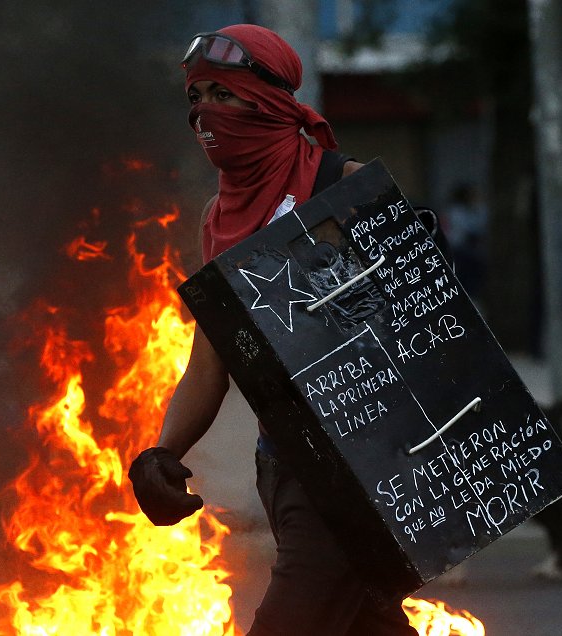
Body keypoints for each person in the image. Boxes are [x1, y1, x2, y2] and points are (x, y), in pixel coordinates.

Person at [127, 25, 415, 635]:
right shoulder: (218, 219)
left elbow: (426, 333)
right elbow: (210, 361)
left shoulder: (348, 188)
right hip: (282, 470)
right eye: (196, 96)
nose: (206, 111)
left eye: (224, 94)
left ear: (273, 101)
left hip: (360, 473)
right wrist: (161, 453)